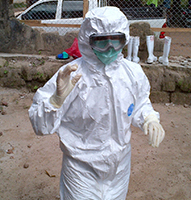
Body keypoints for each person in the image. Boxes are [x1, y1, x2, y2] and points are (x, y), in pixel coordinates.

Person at [29, 6, 165, 200]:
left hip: (119, 167)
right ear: (87, 40)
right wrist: (55, 101)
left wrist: (150, 118)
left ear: (124, 39)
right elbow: (40, 125)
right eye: (101, 42)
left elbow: (140, 102)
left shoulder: (132, 73)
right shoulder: (71, 76)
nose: (109, 49)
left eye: (116, 41)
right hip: (81, 168)